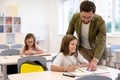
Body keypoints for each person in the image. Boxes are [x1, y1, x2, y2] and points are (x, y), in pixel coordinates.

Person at [66, 0, 107, 71]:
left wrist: (95, 60)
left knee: (98, 72)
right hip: (83, 49)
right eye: (83, 16)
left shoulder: (100, 21)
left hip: (97, 50)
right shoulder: (75, 17)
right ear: (80, 12)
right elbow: (69, 34)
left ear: (94, 13)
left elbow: (101, 42)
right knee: (84, 70)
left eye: (89, 17)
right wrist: (65, 49)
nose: (85, 20)